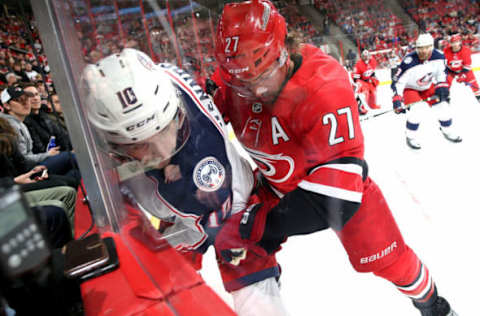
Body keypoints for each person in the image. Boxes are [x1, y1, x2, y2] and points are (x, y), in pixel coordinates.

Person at [212, 2, 456, 315]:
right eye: (243, 83)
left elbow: (336, 198)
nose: (256, 90)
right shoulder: (239, 70)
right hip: (273, 186)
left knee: (391, 261)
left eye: (265, 75)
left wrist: (259, 224)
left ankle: (434, 305)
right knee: (235, 247)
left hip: (333, 184)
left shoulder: (323, 85)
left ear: (286, 51)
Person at [83, 48, 289, 316]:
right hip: (198, 198)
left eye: (163, 130)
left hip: (227, 208)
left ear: (176, 113)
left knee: (251, 286)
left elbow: (204, 228)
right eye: (140, 145)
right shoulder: (158, 80)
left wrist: (156, 248)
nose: (160, 151)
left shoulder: (202, 171)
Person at [392, 33, 462, 150]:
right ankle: (410, 136)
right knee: (417, 111)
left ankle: (447, 130)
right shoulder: (408, 61)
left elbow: (441, 74)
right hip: (410, 88)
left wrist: (441, 86)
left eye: (426, 47)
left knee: (443, 107)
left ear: (431, 46)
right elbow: (398, 82)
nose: (423, 51)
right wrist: (397, 99)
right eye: (420, 48)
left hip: (428, 86)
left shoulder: (439, 56)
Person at [0, 85, 80, 182]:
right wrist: (47, 155)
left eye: (26, 99)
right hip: (24, 174)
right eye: (19, 100)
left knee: (74, 174)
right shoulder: (9, 126)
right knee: (70, 157)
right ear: (6, 105)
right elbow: (23, 160)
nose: (26, 103)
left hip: (31, 166)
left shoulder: (20, 122)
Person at [443, 33, 480, 102]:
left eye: (457, 42)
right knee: (445, 82)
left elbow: (467, 65)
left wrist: (462, 75)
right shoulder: (446, 51)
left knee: (472, 81)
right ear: (450, 43)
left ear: (460, 42)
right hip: (452, 71)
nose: (455, 44)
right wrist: (451, 72)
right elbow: (445, 64)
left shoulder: (466, 50)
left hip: (464, 70)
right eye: (453, 42)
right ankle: (445, 97)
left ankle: (478, 95)